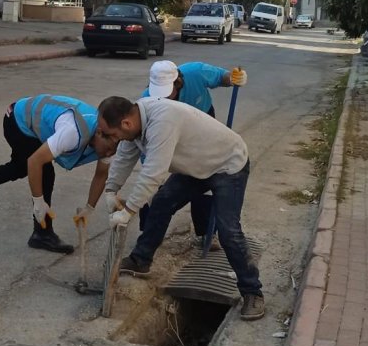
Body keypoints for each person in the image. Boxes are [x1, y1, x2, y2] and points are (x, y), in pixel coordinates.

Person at [96, 95, 265, 321]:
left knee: (229, 231)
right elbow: (125, 158)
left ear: (126, 124)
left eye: (111, 134)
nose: (110, 140)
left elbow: (153, 173)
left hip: (228, 164)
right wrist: (111, 190)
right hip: (197, 166)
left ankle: (252, 292)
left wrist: (128, 212)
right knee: (163, 202)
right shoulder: (133, 125)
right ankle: (141, 260)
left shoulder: (162, 122)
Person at [0, 94, 117, 253]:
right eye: (109, 148)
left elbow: (101, 174)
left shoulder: (108, 138)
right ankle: (42, 233)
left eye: (114, 149)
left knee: (20, 167)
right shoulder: (72, 133)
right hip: (17, 120)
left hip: (28, 119)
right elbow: (35, 162)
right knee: (42, 170)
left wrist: (89, 208)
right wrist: (39, 203)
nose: (110, 153)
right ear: (99, 133)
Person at [140, 60, 248, 245]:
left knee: (205, 178)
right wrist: (151, 173)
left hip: (205, 129)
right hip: (170, 133)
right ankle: (148, 235)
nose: (165, 97)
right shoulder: (147, 100)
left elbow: (222, 77)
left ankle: (206, 231)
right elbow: (146, 146)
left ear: (178, 82)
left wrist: (233, 78)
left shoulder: (195, 72)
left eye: (168, 91)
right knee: (158, 192)